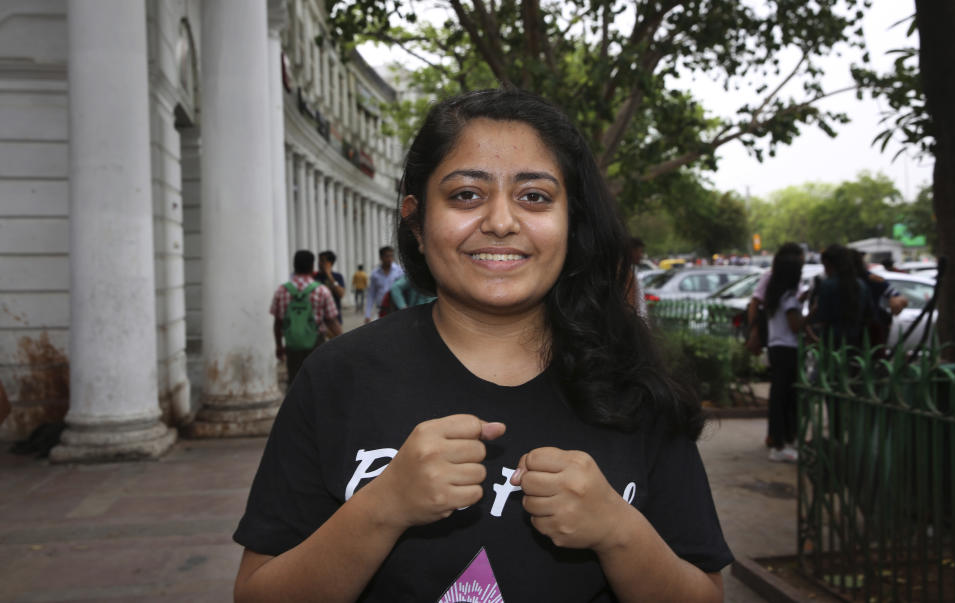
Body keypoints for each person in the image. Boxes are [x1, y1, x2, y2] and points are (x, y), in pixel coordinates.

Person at [234, 89, 731, 602]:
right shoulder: (338, 376)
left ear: (572, 223)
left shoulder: (634, 383)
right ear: (416, 221)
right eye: (466, 195)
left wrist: (619, 532)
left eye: (534, 196)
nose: (500, 222)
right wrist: (383, 506)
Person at [270, 250, 342, 387]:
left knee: (295, 381)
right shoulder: (321, 290)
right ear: (311, 266)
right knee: (317, 380)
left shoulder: (282, 290)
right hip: (316, 342)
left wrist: (279, 346)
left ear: (294, 265)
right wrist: (344, 342)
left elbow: (278, 323)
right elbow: (332, 321)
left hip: (292, 344)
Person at [763, 243, 804, 463]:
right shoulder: (788, 296)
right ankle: (781, 443)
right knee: (786, 398)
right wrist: (810, 314)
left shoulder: (774, 293)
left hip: (776, 346)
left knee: (779, 396)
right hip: (788, 349)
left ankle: (780, 440)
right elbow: (795, 325)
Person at [363, 245, 403, 323]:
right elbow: (371, 295)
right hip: (381, 310)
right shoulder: (375, 274)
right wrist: (367, 314)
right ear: (381, 257)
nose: (390, 259)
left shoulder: (399, 271)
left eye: (391, 256)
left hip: (396, 310)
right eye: (387, 256)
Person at [315, 250, 346, 324]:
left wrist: (329, 275)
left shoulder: (337, 277)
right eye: (319, 261)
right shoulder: (315, 277)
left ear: (330, 263)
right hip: (318, 320)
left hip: (334, 320)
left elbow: (341, 294)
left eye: (322, 261)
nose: (319, 263)